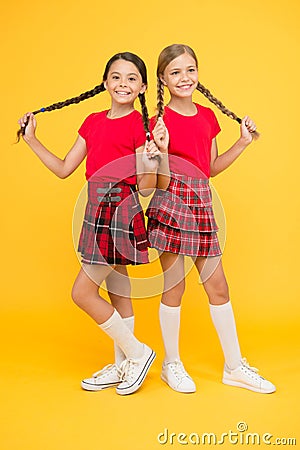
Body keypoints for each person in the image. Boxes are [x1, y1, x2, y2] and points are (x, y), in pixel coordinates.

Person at [17, 52, 160, 395]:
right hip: (95, 208)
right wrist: (33, 140)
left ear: (142, 87)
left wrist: (152, 161)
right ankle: (125, 362)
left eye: (131, 78)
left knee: (81, 293)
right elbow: (66, 168)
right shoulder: (93, 121)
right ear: (105, 82)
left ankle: (138, 354)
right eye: (116, 76)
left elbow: (144, 187)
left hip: (119, 211)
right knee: (119, 292)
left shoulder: (146, 127)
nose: (122, 83)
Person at [147, 44, 276, 394]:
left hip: (201, 203)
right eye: (175, 72)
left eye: (190, 69)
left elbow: (210, 169)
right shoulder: (157, 123)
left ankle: (234, 366)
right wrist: (159, 150)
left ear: (198, 72)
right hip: (170, 204)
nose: (184, 78)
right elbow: (155, 181)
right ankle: (171, 364)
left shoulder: (207, 117)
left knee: (218, 286)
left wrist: (243, 143)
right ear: (163, 78)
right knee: (175, 287)